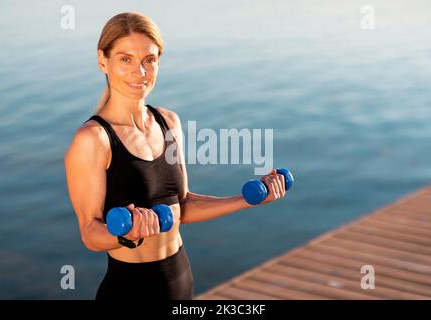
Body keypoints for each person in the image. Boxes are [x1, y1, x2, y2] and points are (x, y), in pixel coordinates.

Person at [64, 12, 287, 300]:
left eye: (149, 60)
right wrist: (125, 235)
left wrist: (247, 199)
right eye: (125, 59)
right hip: (130, 289)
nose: (140, 72)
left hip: (180, 277)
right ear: (102, 60)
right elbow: (89, 232)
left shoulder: (168, 122)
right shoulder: (93, 139)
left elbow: (181, 205)